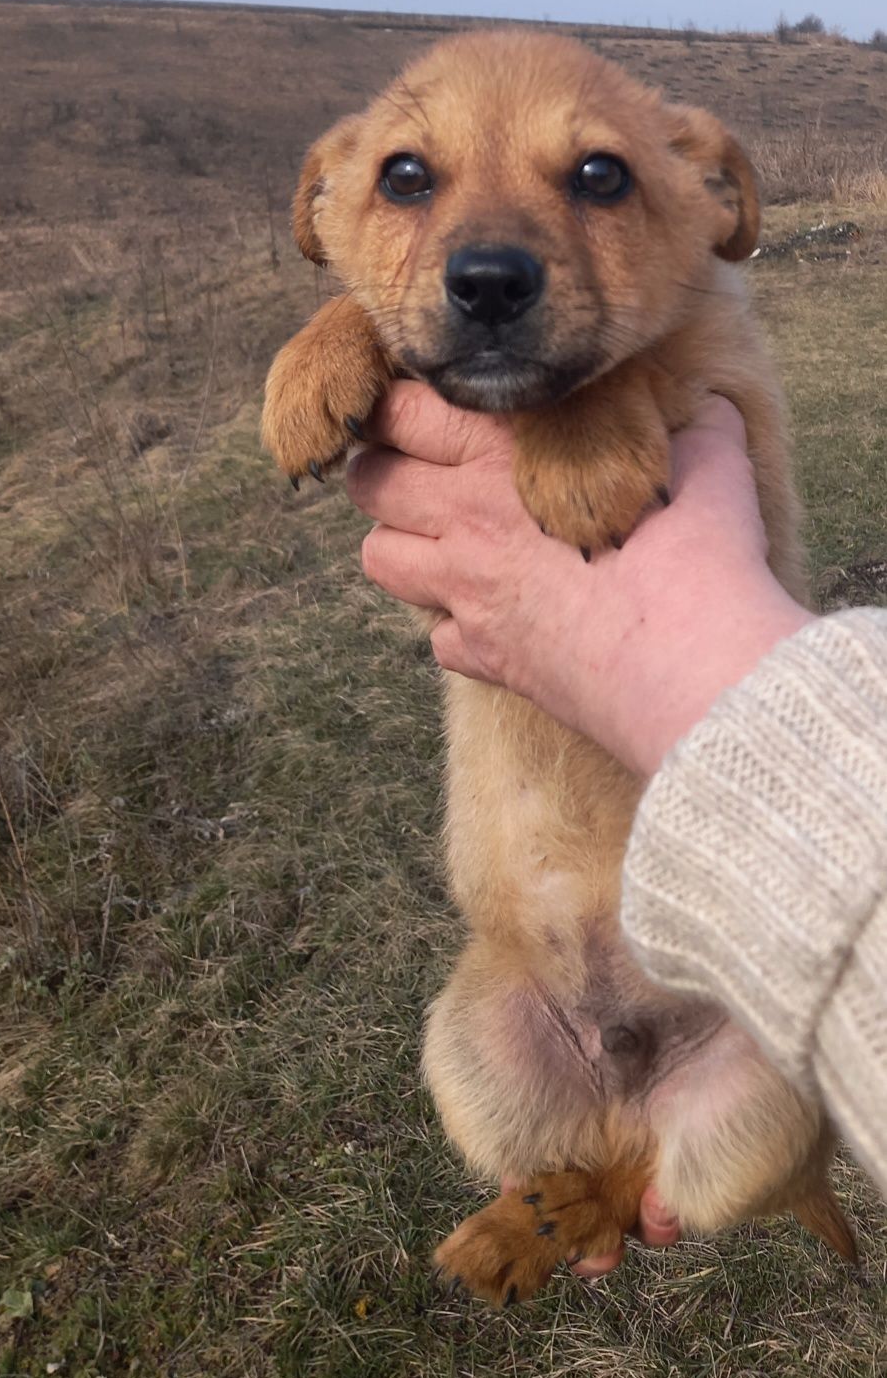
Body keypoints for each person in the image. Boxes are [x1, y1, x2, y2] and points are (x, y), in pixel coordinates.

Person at [346, 385, 887, 1272]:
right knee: (466, 1058)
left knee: (747, 1131)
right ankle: (593, 1184)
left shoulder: (696, 356)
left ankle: (603, 1191)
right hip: (540, 987)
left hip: (727, 1006)